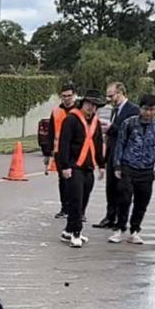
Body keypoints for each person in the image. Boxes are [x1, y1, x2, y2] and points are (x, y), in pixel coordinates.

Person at [108, 94, 155, 245]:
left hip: (147, 169)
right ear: (140, 108)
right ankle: (120, 228)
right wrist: (117, 166)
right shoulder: (129, 124)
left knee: (142, 201)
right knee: (124, 199)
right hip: (128, 167)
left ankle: (135, 230)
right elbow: (120, 145)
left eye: (152, 110)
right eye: (146, 109)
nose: (148, 113)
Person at [58, 89, 105, 248]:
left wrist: (102, 165)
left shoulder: (96, 122)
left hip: (88, 167)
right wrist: (64, 166)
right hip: (74, 166)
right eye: (89, 103)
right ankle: (76, 233)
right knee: (76, 200)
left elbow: (98, 144)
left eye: (95, 105)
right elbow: (63, 144)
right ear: (83, 103)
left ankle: (68, 230)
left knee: (83, 200)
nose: (91, 107)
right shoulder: (71, 119)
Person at [94, 82, 139, 229]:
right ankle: (110, 216)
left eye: (111, 95)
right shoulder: (114, 110)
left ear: (120, 93)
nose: (109, 99)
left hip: (125, 156)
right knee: (111, 187)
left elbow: (131, 132)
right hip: (112, 153)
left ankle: (121, 219)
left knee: (122, 189)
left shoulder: (133, 110)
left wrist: (112, 127)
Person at [43, 83, 78, 219]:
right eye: (64, 96)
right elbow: (50, 133)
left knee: (76, 182)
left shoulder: (80, 111)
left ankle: (77, 210)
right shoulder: (56, 111)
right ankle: (65, 207)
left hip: (76, 152)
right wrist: (47, 153)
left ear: (74, 95)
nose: (67, 99)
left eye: (69, 96)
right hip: (60, 152)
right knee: (63, 181)